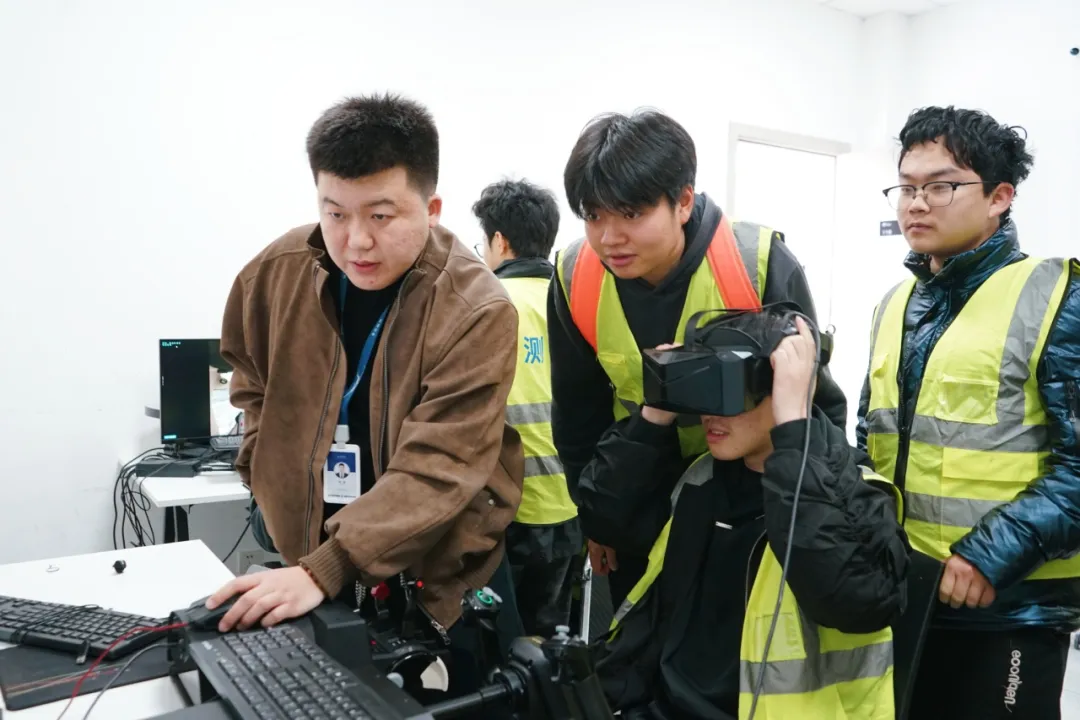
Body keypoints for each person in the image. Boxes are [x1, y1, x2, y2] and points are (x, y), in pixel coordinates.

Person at [205, 93, 526, 698]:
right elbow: (248, 380)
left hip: (434, 573)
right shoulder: (274, 274)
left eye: (381, 216)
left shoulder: (475, 308)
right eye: (335, 214)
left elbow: (441, 467)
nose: (355, 241)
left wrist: (328, 566)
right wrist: (260, 464)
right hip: (317, 560)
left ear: (431, 208)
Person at [550, 108, 850, 607]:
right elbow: (577, 415)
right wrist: (595, 519)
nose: (608, 238)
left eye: (631, 214)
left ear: (683, 202)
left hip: (746, 508)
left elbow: (818, 404)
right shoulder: (576, 274)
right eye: (593, 215)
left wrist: (814, 519)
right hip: (639, 501)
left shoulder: (754, 263)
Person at [859, 105, 1080, 719]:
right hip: (905, 593)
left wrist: (990, 554)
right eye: (906, 187)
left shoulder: (1058, 297)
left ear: (999, 196)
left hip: (1008, 607)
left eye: (941, 185)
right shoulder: (894, 306)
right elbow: (870, 442)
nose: (916, 204)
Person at [589, 309, 909, 720]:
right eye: (704, 390)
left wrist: (793, 426)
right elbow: (605, 519)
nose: (711, 413)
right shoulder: (701, 482)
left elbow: (856, 599)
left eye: (727, 390)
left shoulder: (856, 494)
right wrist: (655, 412)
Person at [472, 179, 584, 637]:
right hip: (574, 506)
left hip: (508, 511)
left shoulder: (487, 305)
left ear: (500, 241)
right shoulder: (577, 302)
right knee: (555, 642)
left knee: (502, 647)